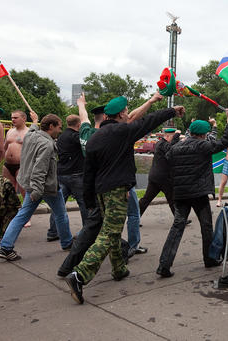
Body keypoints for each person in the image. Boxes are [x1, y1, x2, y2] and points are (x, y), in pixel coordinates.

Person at [65, 96, 183, 304]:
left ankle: (119, 269)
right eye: (127, 111)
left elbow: (89, 172)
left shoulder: (95, 137)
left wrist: (89, 199)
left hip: (100, 192)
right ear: (120, 114)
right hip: (117, 191)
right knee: (109, 234)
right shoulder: (123, 132)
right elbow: (150, 120)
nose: (128, 114)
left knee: (112, 230)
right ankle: (80, 275)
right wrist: (172, 111)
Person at [157, 110, 228, 278]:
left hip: (180, 193)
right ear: (203, 134)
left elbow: (167, 157)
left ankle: (164, 264)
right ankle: (209, 258)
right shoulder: (203, 146)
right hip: (199, 193)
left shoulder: (176, 147)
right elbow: (226, 141)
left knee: (177, 227)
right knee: (206, 226)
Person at [0, 113, 73, 261]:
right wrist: (37, 191)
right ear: (51, 127)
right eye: (59, 127)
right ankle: (67, 242)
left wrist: (34, 121)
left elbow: (31, 129)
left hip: (31, 184)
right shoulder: (47, 144)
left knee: (22, 215)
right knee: (61, 214)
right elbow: (40, 169)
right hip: (44, 187)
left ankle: (5, 247)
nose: (60, 130)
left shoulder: (31, 136)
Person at [46, 115, 88, 242]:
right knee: (84, 204)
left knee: (58, 205)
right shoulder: (76, 137)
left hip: (61, 174)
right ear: (78, 125)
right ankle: (87, 232)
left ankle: (53, 231)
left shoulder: (61, 136)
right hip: (76, 174)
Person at [138, 128, 180, 217]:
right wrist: (176, 136)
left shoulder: (159, 143)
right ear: (168, 136)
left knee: (146, 199)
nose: (174, 139)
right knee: (172, 198)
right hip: (163, 177)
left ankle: (135, 218)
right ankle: (179, 219)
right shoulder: (163, 144)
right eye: (173, 137)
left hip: (155, 176)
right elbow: (171, 150)